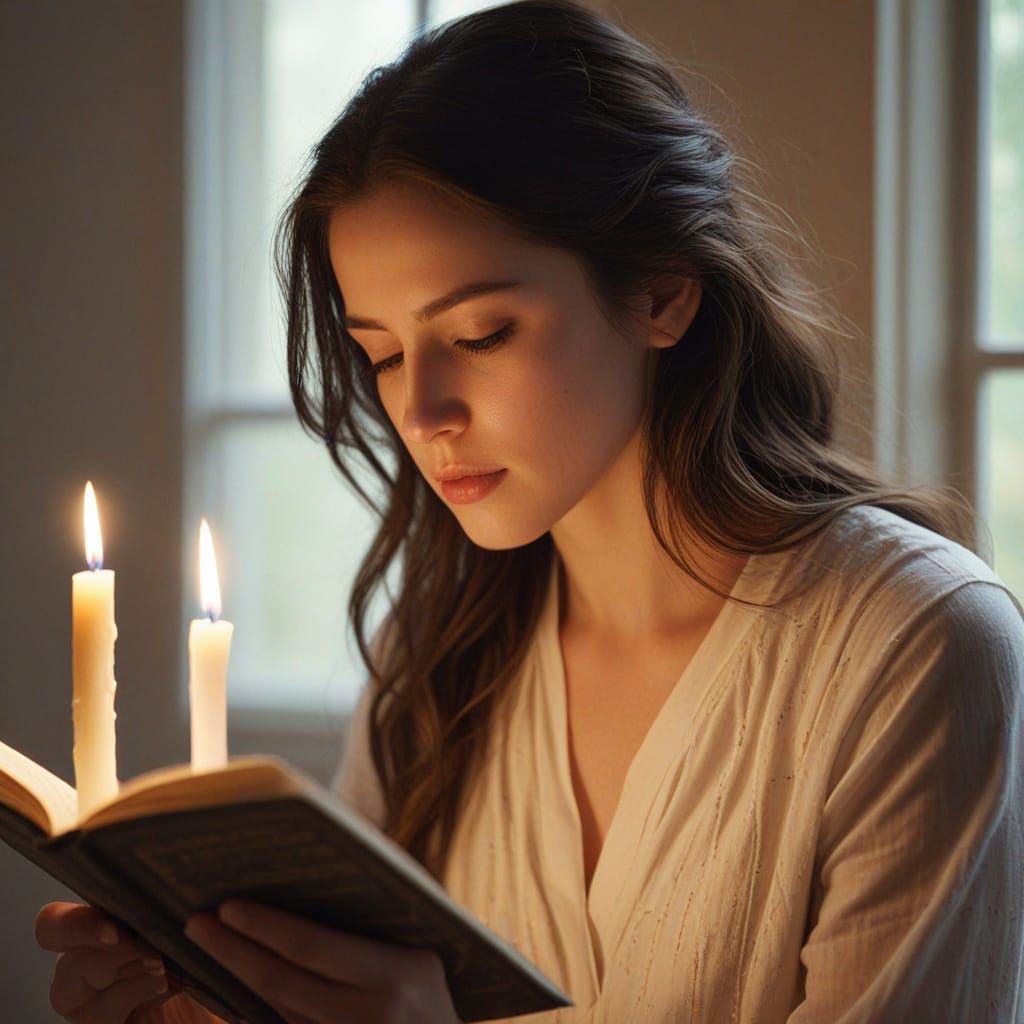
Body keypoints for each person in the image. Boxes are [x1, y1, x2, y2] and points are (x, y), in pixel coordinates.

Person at [35, 0, 1024, 1021]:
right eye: (380, 353)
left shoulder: (914, 650)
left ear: (662, 292)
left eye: (480, 331)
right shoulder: (433, 668)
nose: (418, 410)